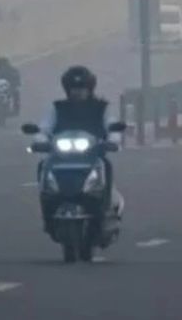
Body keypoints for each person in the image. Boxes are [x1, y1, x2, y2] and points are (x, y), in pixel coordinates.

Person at [37, 65, 121, 232]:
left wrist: (112, 140)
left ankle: (105, 209)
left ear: (90, 89)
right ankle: (47, 213)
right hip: (60, 157)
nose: (78, 92)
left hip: (92, 155)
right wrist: (40, 140)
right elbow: (44, 128)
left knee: (106, 165)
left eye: (82, 88)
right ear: (67, 89)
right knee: (42, 166)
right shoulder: (57, 107)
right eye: (74, 88)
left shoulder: (102, 107)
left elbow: (111, 126)